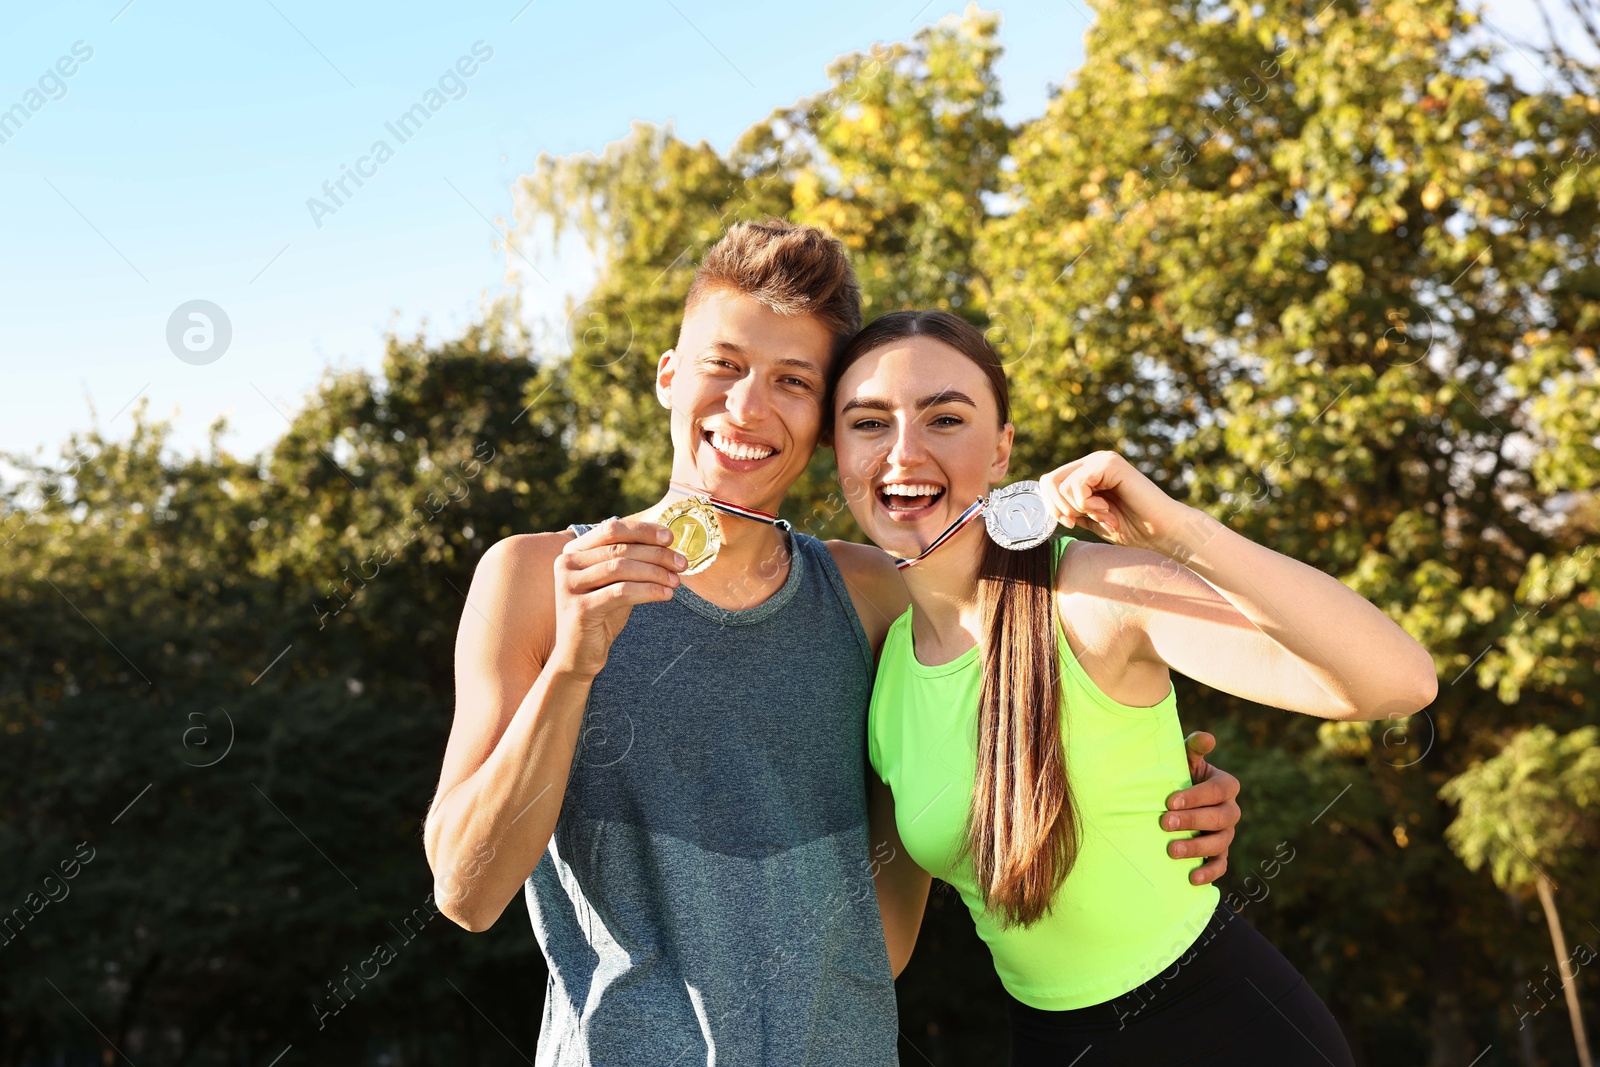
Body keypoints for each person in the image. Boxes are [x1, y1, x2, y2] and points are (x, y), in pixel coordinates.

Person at [423, 221, 1244, 1065]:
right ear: (669, 376)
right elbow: (465, 890)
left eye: (791, 380)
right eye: (724, 365)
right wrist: (574, 665)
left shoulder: (876, 594)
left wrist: (1173, 797)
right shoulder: (534, 578)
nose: (747, 406)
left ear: (822, 423)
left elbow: (887, 931)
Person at [828, 308, 1439, 1066]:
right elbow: (878, 946)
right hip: (1050, 1044)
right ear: (838, 452)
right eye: (868, 423)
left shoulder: (1093, 594)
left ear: (1001, 448)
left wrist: (1174, 531)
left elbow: (1400, 680)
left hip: (1232, 1032)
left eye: (945, 417)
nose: (904, 452)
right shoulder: (886, 674)